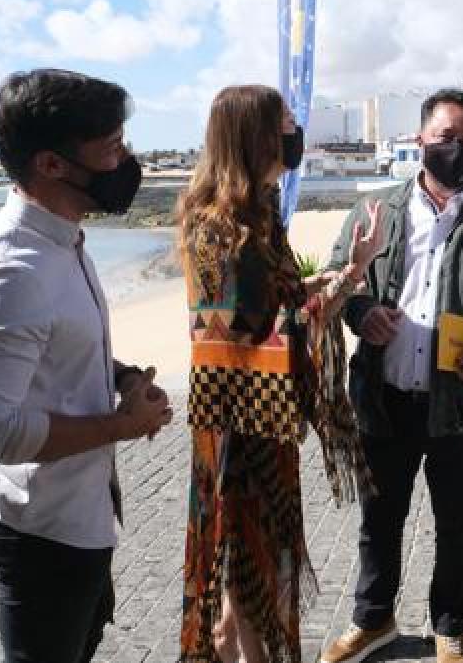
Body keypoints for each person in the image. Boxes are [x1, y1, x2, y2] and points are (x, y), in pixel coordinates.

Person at [0, 68, 174, 663]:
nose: (127, 161)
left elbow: (63, 350)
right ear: (51, 164)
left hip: (79, 510)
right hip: (38, 529)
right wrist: (120, 426)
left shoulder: (62, 241)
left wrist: (123, 380)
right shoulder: (11, 271)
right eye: (112, 148)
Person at [320, 89, 463, 663]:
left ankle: (450, 625)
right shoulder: (376, 210)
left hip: (461, 408)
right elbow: (335, 280)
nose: (457, 147)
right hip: (383, 400)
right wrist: (361, 313)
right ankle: (373, 621)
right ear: (419, 140)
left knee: (458, 524)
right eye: (445, 136)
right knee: (379, 520)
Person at [177, 85, 381, 663]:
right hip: (235, 425)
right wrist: (340, 285)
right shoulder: (215, 225)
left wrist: (349, 270)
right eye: (285, 123)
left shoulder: (259, 212)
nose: (295, 134)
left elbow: (281, 303)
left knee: (254, 559)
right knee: (244, 559)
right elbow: (240, 338)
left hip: (264, 421)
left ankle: (238, 646)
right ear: (253, 134)